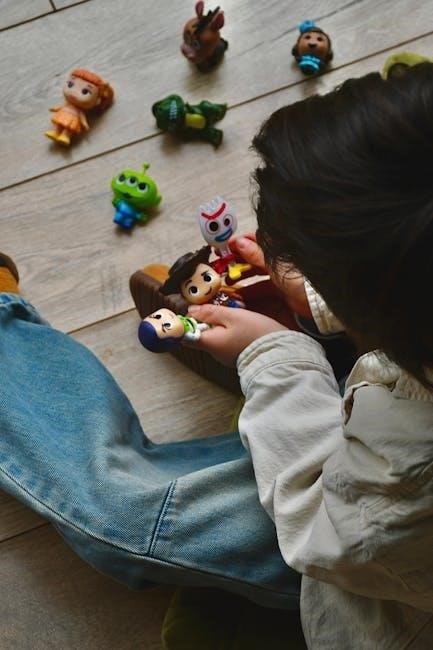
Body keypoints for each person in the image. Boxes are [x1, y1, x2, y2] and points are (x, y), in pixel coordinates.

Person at [1, 61, 433, 649]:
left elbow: (316, 526)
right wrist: (319, 299)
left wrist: (273, 353)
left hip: (350, 556)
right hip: (387, 501)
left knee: (124, 507)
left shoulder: (407, 480)